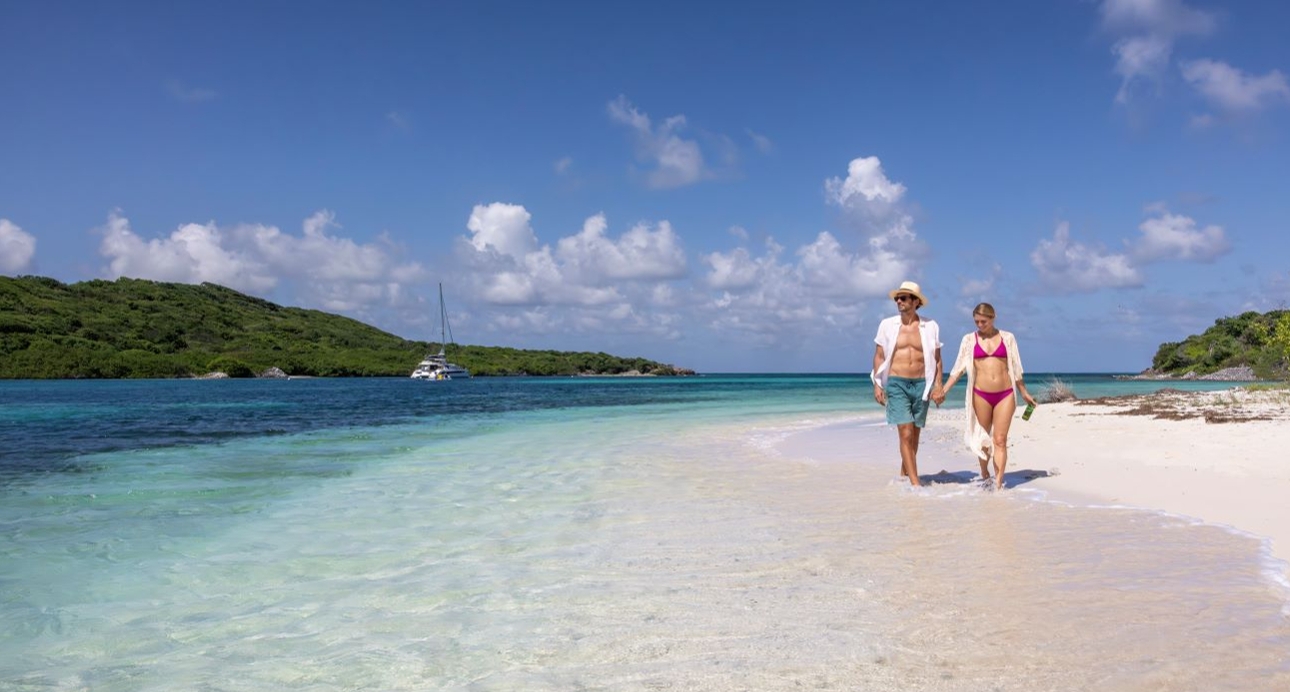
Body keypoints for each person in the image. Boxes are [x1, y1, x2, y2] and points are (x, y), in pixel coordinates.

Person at [935, 303, 1038, 490]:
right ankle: (984, 473)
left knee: (1000, 439)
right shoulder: (969, 339)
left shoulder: (1008, 338)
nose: (980, 325)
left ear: (993, 318)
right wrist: (944, 390)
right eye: (976, 322)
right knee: (983, 438)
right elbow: (958, 370)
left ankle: (998, 484)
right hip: (980, 394)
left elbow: (1016, 368)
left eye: (984, 321)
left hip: (1005, 394)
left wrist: (1024, 392)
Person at [871, 280, 943, 487]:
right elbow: (878, 356)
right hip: (896, 383)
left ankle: (904, 475)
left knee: (914, 435)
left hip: (922, 384)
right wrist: (877, 384)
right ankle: (915, 483)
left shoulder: (930, 326)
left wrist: (938, 385)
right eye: (897, 298)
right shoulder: (887, 325)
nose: (898, 301)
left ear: (915, 301)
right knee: (905, 431)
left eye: (903, 298)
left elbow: (937, 358)